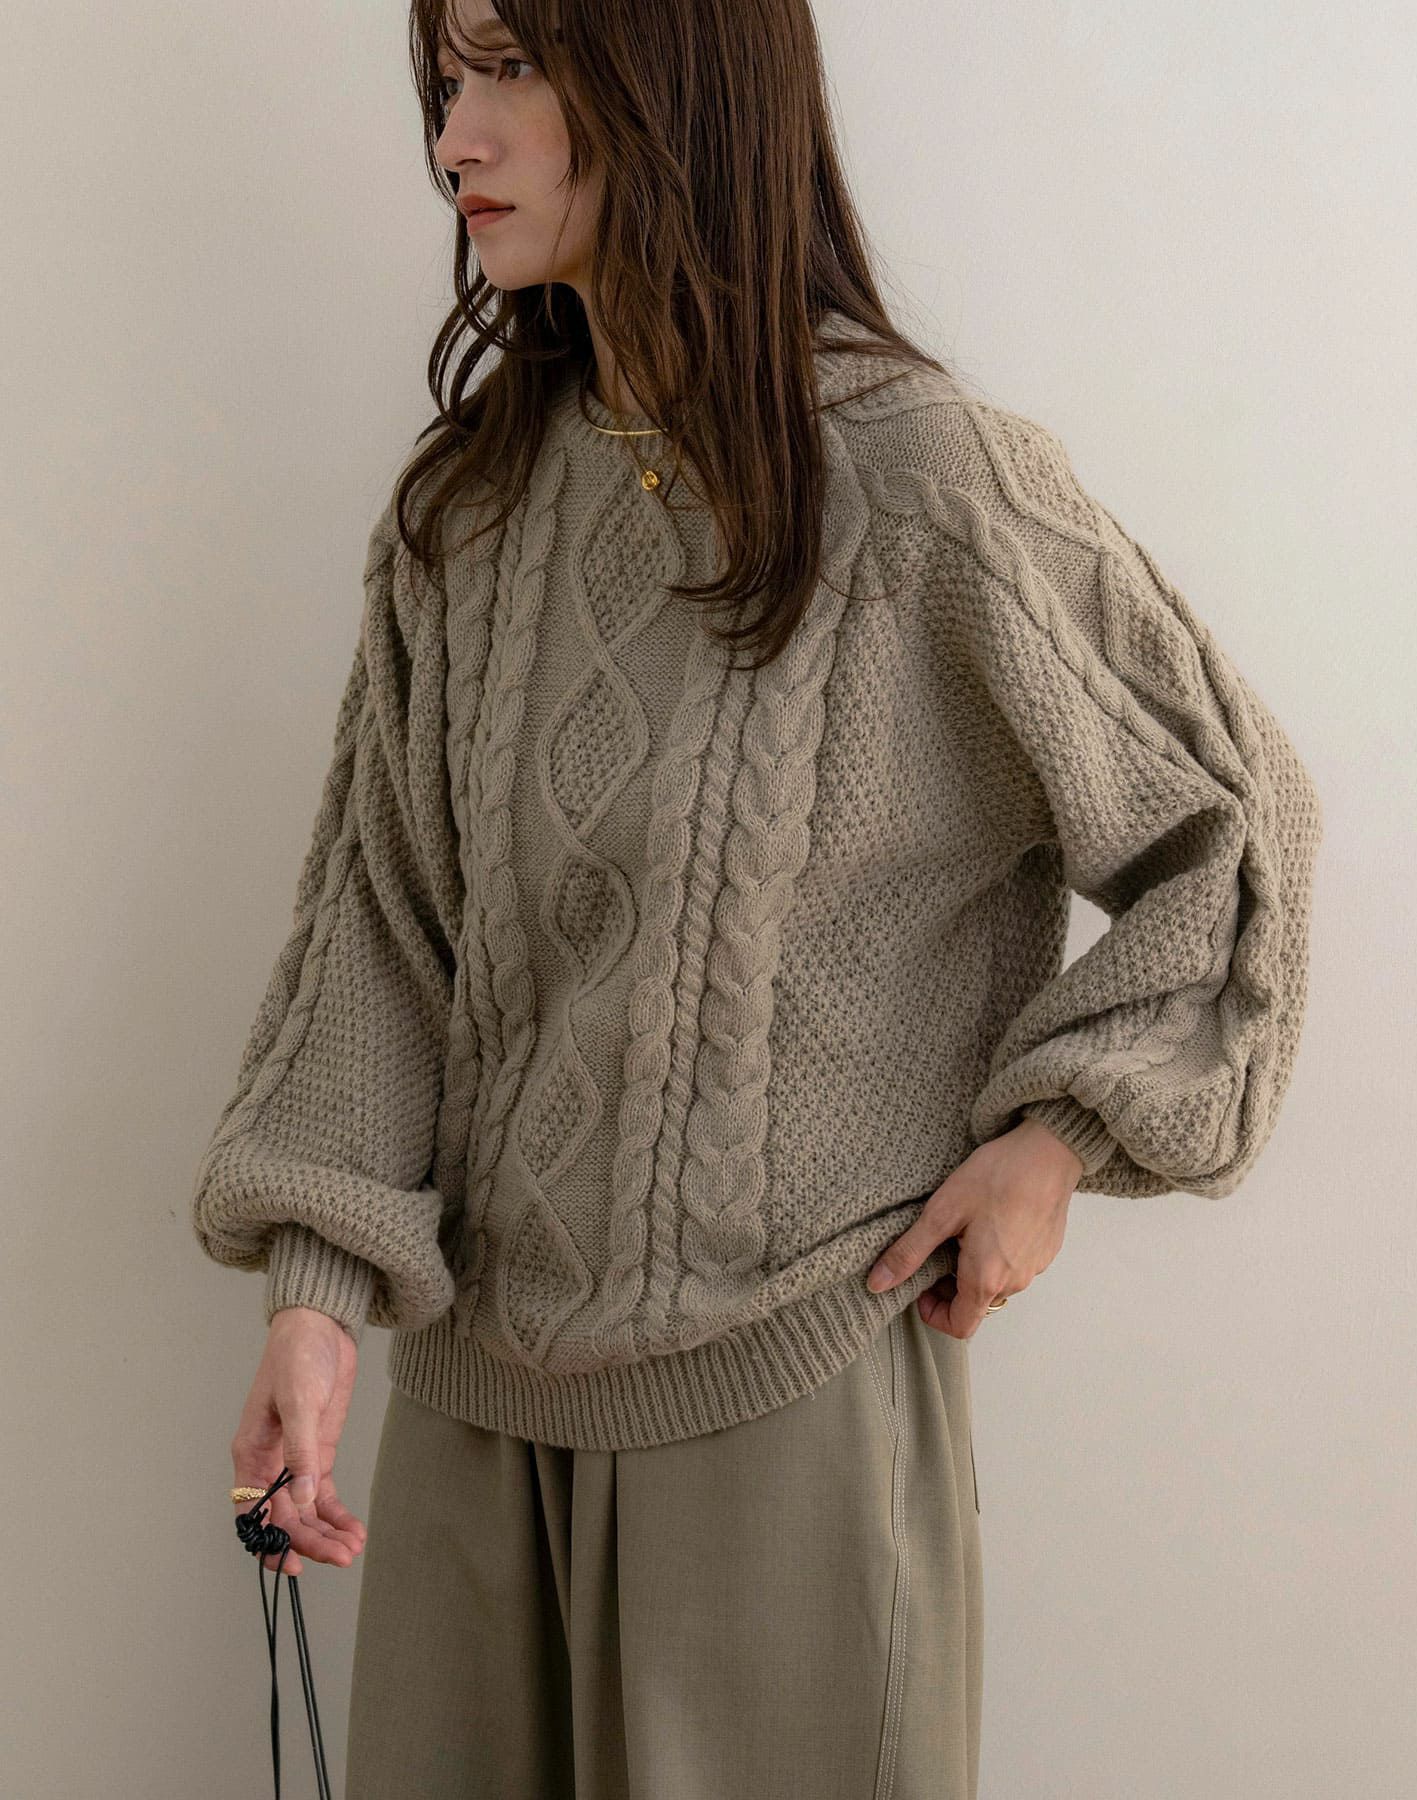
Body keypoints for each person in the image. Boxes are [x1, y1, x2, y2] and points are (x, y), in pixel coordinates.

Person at [191, 0, 1324, 1794]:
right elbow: (384, 935)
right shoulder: (466, 514)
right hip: (472, 1423)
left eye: (511, 68)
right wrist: (314, 1302)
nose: (454, 137)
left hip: (787, 1408)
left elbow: (1236, 834)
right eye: (449, 77)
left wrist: (1061, 1139)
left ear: (675, 75)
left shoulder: (928, 482)